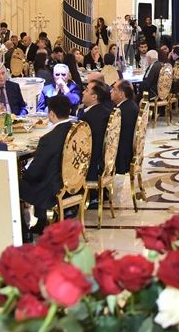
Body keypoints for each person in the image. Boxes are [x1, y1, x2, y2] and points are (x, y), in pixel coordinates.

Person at [20, 94, 74, 234]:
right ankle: (41, 221)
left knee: (20, 183)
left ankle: (23, 229)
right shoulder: (76, 130)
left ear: (51, 114)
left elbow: (36, 171)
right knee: (45, 172)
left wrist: (23, 174)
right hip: (74, 181)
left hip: (54, 187)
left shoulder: (49, 139)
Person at [79, 81, 112, 186]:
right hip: (105, 162)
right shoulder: (105, 111)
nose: (83, 92)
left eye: (86, 90)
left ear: (94, 97)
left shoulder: (88, 118)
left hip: (92, 166)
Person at [111, 80, 139, 174]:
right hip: (126, 151)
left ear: (121, 94)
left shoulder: (123, 111)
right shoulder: (129, 105)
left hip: (121, 156)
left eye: (114, 89)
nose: (111, 91)